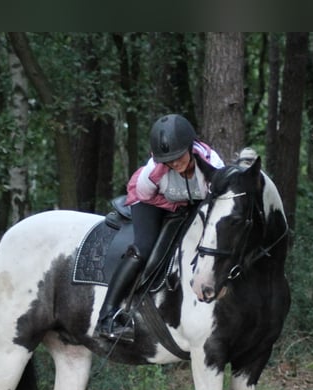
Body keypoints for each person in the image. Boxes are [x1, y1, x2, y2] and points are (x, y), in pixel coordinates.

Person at [95, 113, 225, 342]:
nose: (175, 164)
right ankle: (107, 316)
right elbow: (145, 196)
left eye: (179, 157)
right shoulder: (153, 172)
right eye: (169, 160)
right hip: (152, 201)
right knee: (142, 249)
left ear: (190, 147)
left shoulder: (212, 163)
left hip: (192, 204)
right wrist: (173, 206)